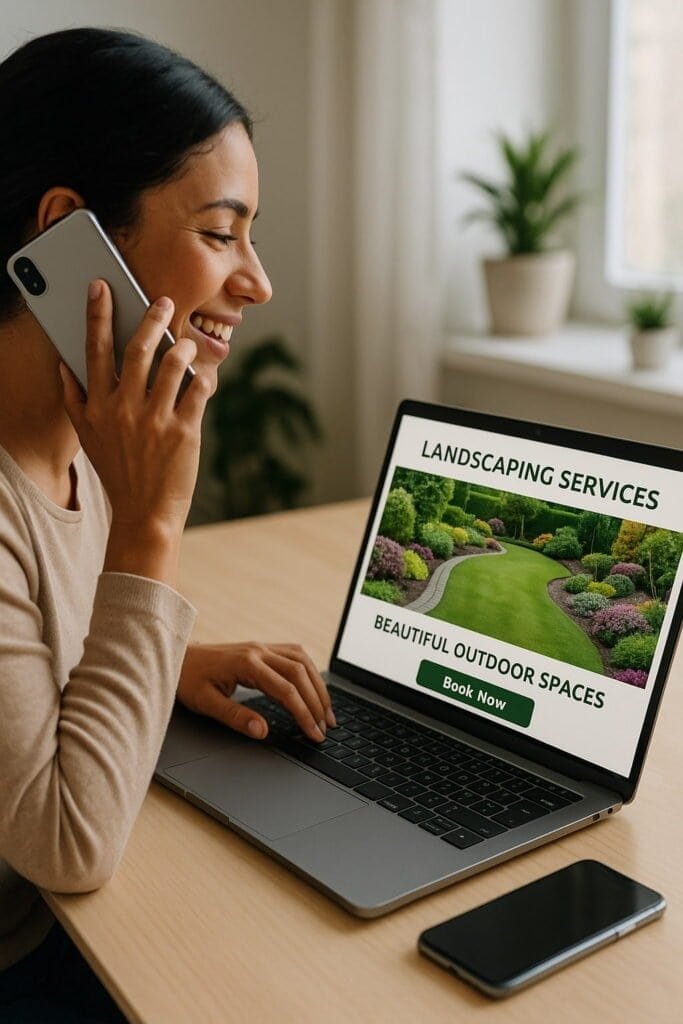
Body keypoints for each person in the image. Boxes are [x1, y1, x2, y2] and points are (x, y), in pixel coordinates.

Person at [0, 26, 335, 1021]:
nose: (257, 282)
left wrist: (170, 660)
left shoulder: (83, 427)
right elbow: (67, 842)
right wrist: (150, 526)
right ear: (67, 233)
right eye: (220, 232)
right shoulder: (105, 458)